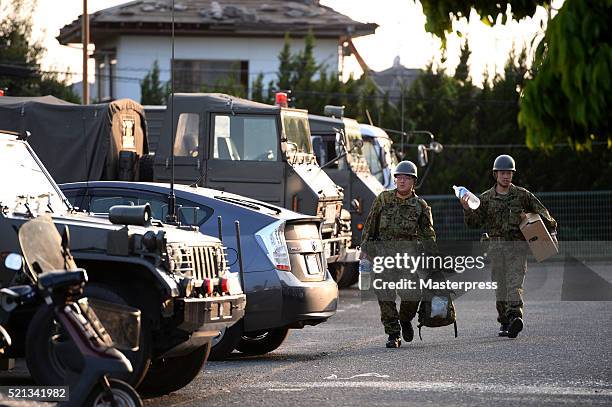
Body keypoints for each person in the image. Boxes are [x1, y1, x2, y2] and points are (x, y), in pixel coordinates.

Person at [461, 154, 557, 338]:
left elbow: (541, 210)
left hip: (517, 248)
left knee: (515, 284)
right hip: (496, 249)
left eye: (509, 173)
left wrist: (552, 229)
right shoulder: (486, 198)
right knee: (501, 288)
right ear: (495, 174)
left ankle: (515, 318)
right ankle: (504, 322)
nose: (506, 176)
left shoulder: (522, 195)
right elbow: (474, 223)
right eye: (502, 173)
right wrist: (466, 209)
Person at [361, 160, 437, 348]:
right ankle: (393, 334)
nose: (402, 181)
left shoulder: (420, 206)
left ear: (413, 181)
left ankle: (405, 320)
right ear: (395, 180)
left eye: (406, 178)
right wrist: (365, 250)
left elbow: (428, 234)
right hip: (383, 257)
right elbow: (370, 226)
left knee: (412, 295)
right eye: (399, 177)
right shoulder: (383, 199)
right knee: (385, 297)